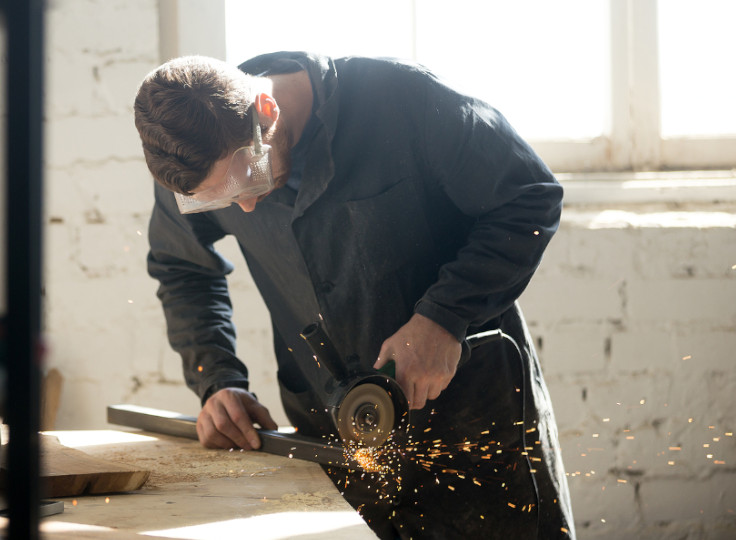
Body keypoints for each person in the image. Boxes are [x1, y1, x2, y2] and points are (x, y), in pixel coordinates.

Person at [134, 52, 575, 539]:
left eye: (251, 175)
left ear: (266, 109)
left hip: (473, 418)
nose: (247, 203)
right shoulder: (200, 162)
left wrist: (445, 317)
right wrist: (217, 380)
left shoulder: (402, 98)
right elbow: (180, 267)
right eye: (221, 199)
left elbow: (529, 196)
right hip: (334, 440)